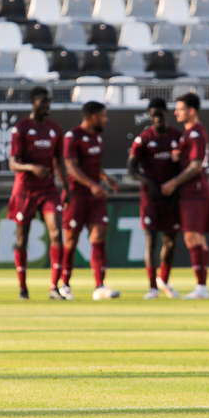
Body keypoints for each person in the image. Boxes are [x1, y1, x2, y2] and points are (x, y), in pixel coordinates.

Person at [8, 86, 69, 300]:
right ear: (33, 103)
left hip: (48, 190)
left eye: (48, 101)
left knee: (55, 233)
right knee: (22, 239)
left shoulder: (54, 129)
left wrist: (66, 188)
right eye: (42, 101)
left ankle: (54, 287)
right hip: (25, 190)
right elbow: (13, 163)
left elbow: (59, 161)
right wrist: (32, 168)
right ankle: (23, 288)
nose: (47, 105)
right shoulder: (21, 129)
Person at [61, 101, 120, 300]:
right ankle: (64, 285)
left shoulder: (97, 137)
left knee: (99, 235)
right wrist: (92, 184)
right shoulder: (73, 136)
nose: (106, 119)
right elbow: (71, 166)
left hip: (95, 196)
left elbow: (93, 165)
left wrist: (105, 177)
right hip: (77, 195)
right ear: (93, 117)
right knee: (71, 239)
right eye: (104, 116)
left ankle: (100, 286)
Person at [127, 98, 182, 299]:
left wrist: (176, 189)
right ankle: (152, 287)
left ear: (166, 114)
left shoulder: (177, 137)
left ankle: (164, 280)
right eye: (153, 115)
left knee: (170, 241)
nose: (157, 118)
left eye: (160, 114)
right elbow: (131, 167)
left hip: (171, 196)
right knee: (151, 240)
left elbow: (183, 166)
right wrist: (148, 183)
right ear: (150, 117)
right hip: (150, 197)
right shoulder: (144, 138)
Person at [161, 92, 209, 300]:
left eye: (180, 109)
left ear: (191, 111)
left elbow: (196, 165)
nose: (175, 112)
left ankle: (201, 287)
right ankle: (202, 285)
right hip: (194, 191)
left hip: (195, 191)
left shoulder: (196, 133)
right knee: (197, 237)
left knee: (192, 236)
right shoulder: (189, 134)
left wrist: (173, 182)